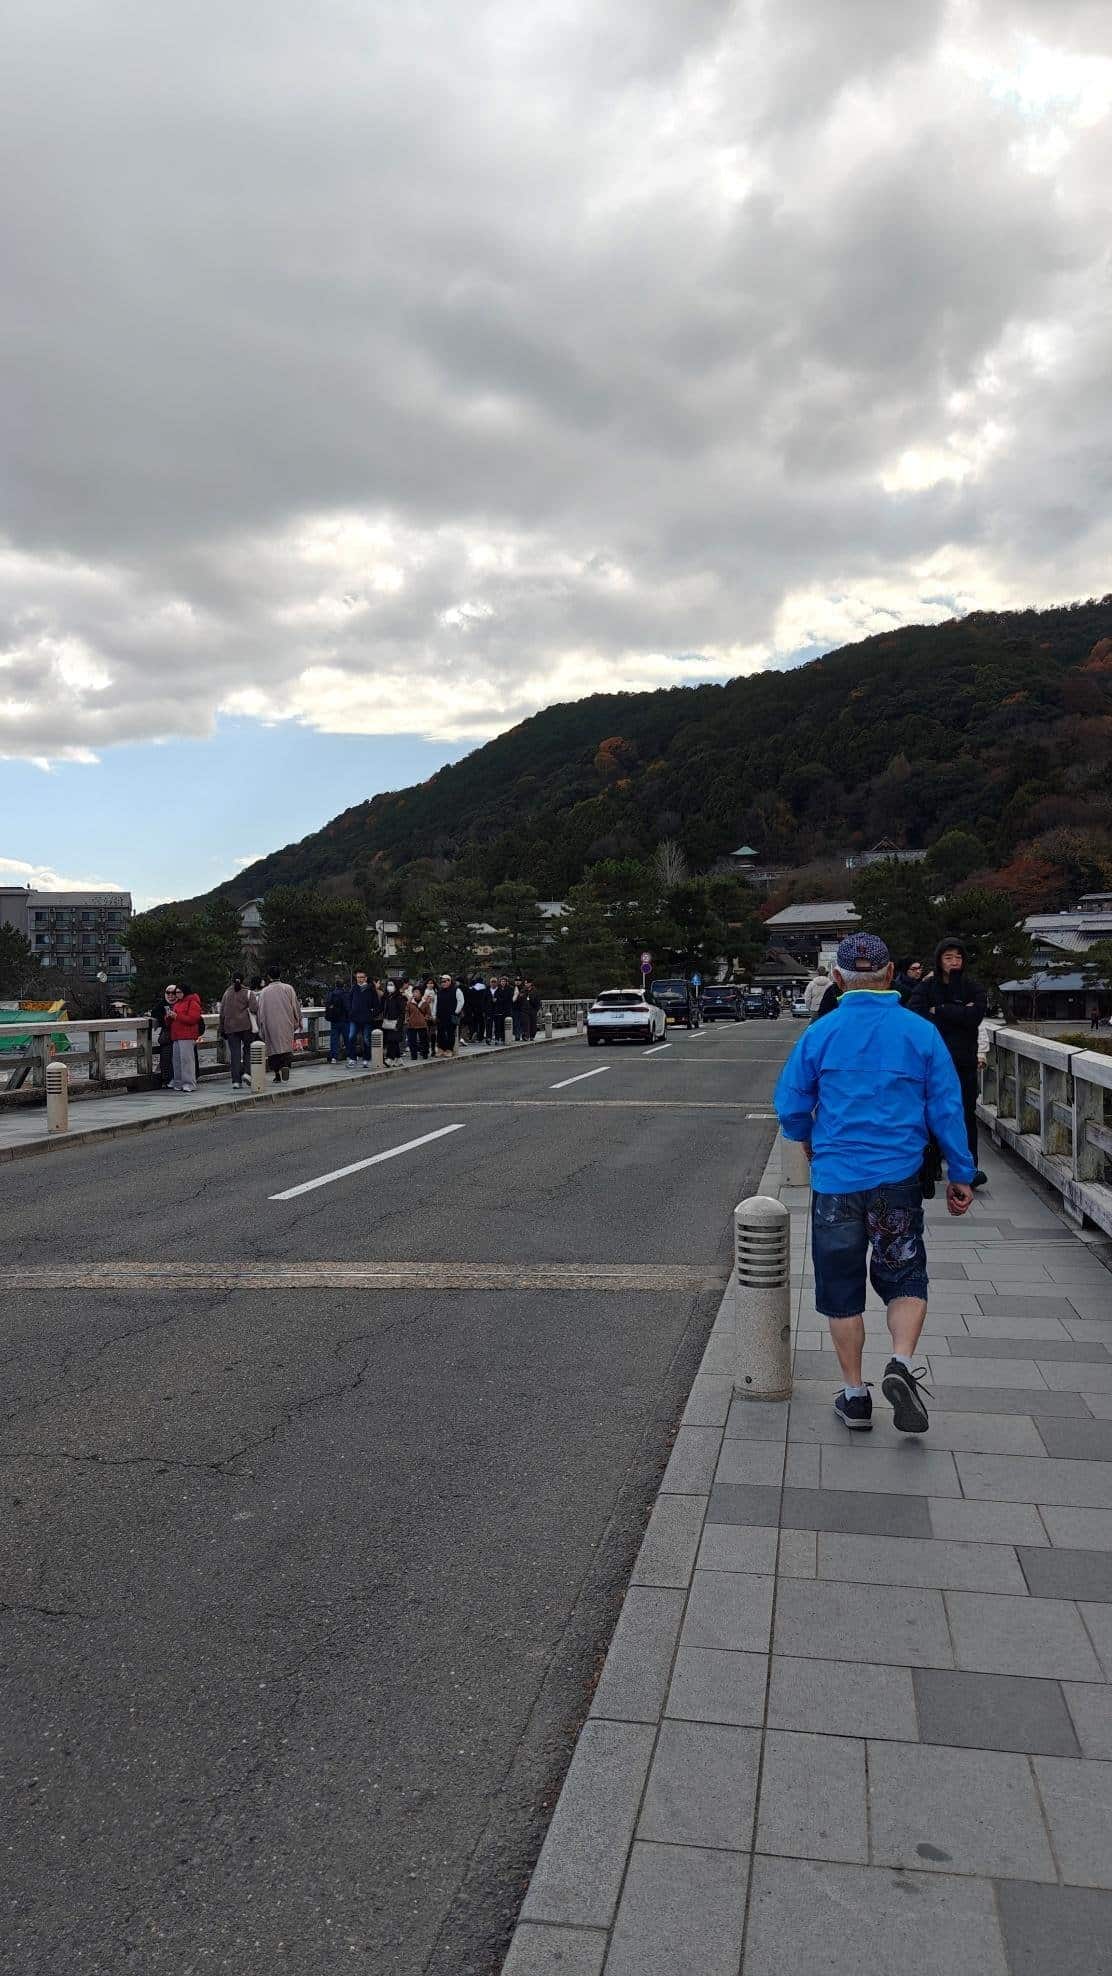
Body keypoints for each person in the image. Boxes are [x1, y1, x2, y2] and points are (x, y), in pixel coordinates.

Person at [774, 931, 976, 1436]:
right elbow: (947, 1107)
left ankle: (855, 1395)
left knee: (842, 1288)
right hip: (897, 1179)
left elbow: (792, 1104)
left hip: (837, 1180)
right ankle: (902, 1364)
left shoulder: (820, 1033)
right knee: (906, 1276)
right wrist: (962, 1172)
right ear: (890, 975)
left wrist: (805, 1136)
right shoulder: (920, 1032)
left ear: (838, 979)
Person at [909, 936, 988, 1184]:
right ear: (939, 960)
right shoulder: (927, 986)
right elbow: (916, 1013)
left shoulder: (972, 985)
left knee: (966, 1114)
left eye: (958, 957)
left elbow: (975, 1016)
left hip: (964, 1061)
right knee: (931, 1112)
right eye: (948, 957)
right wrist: (958, 1012)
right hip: (933, 1060)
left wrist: (940, 1010)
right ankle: (931, 1165)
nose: (954, 962)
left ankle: (970, 1168)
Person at [255, 970, 302, 1083]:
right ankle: (285, 1065)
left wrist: (260, 1025)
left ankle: (277, 1074)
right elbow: (295, 1005)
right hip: (286, 1022)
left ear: (269, 977)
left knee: (273, 1050)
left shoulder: (264, 992)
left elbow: (260, 1010)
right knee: (285, 1046)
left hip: (270, 1024)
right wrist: (298, 1019)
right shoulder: (288, 988)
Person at [167, 980, 203, 1092]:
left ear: (185, 992)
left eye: (178, 992)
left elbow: (193, 1019)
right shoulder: (177, 1003)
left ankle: (189, 1083)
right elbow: (171, 1021)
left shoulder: (193, 1002)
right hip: (176, 1035)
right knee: (176, 1060)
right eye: (175, 992)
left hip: (187, 1035)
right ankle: (178, 1082)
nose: (176, 994)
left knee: (187, 1061)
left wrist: (177, 1016)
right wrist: (168, 1017)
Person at [219, 973, 254, 1086]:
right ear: (243, 980)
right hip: (246, 1026)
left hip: (230, 1027)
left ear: (232, 980)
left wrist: (221, 1027)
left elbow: (222, 1013)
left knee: (235, 1053)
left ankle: (236, 1081)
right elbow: (255, 1008)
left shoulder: (226, 993)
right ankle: (247, 1073)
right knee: (248, 1050)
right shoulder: (248, 992)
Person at [346, 970, 379, 1065]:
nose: (360, 979)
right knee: (351, 1037)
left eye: (361, 977)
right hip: (354, 1018)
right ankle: (352, 1058)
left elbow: (376, 1004)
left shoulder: (370, 989)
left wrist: (372, 1014)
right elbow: (349, 1001)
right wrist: (350, 1012)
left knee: (366, 1039)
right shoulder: (353, 988)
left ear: (365, 978)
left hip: (367, 1018)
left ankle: (366, 1058)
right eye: (358, 977)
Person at [151, 985, 176, 1087]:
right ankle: (167, 1080)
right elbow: (155, 1014)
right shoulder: (161, 1005)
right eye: (168, 992)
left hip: (181, 1036)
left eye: (173, 993)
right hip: (167, 1037)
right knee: (166, 1058)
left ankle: (181, 1079)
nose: (170, 995)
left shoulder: (182, 1004)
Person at [324, 979, 349, 1062]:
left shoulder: (331, 994)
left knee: (334, 1039)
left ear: (335, 985)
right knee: (347, 1038)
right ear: (343, 985)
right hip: (344, 1020)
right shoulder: (345, 994)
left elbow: (327, 1004)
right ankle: (349, 1055)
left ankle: (334, 1057)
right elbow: (347, 1007)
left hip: (334, 1020)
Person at [404, 982, 431, 1059]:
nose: (415, 993)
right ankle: (413, 1055)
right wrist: (408, 1019)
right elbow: (407, 1012)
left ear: (421, 993)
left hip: (422, 1024)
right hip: (411, 1025)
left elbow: (428, 1013)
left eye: (417, 992)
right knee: (412, 1041)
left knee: (424, 1040)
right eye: (414, 992)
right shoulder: (410, 1003)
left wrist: (425, 1019)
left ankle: (425, 1054)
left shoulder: (425, 1003)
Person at [435, 974, 459, 1056]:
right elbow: (436, 1003)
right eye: (442, 982)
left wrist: (456, 1011)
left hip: (453, 1015)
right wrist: (435, 1014)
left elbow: (461, 1001)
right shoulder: (439, 991)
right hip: (441, 1015)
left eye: (445, 981)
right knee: (440, 1032)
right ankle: (441, 1049)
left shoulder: (456, 990)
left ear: (449, 981)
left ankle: (449, 1050)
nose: (443, 983)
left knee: (450, 1033)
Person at [381, 980, 404, 1061]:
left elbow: (402, 1012)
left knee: (392, 1040)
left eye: (391, 985)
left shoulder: (399, 997)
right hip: (387, 1022)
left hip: (396, 1022)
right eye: (388, 984)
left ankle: (390, 1058)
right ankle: (398, 1059)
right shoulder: (386, 997)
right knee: (392, 1040)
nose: (389, 986)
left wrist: (399, 1025)